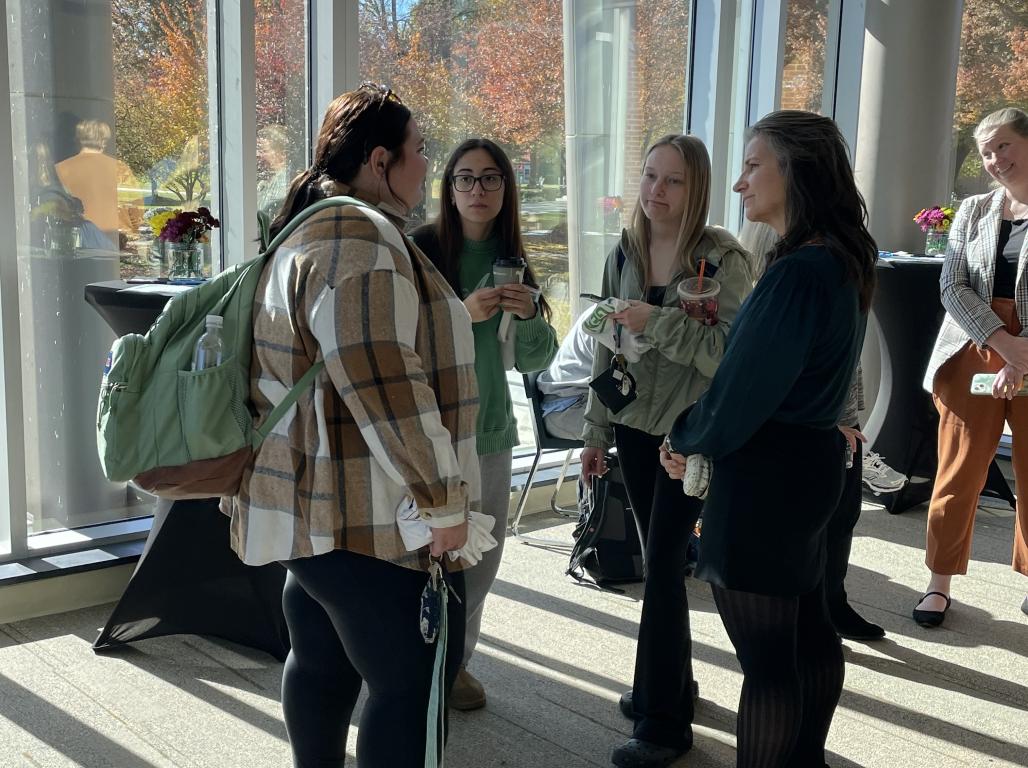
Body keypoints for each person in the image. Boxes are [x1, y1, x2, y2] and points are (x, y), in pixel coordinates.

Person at [222, 85, 479, 768]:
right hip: (366, 517)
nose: (428, 164)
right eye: (419, 149)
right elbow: (385, 384)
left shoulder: (307, 228)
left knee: (322, 663)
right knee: (409, 685)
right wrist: (442, 501)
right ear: (379, 160)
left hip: (313, 508)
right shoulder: (358, 241)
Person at [664, 110, 876, 767]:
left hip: (766, 481)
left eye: (753, 166)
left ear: (796, 171)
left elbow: (741, 393)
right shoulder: (842, 257)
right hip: (811, 468)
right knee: (809, 633)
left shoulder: (798, 272)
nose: (739, 183)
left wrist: (685, 437)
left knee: (767, 664)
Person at [579, 134, 753, 768]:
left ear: (696, 186)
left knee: (661, 566)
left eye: (673, 180)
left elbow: (730, 355)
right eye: (650, 175)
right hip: (633, 427)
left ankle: (663, 722)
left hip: (689, 435)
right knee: (661, 559)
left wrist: (658, 323)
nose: (656, 190)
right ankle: (671, 684)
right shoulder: (624, 251)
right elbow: (606, 345)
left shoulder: (723, 260)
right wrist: (595, 431)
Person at [410, 138, 558, 711]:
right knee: (421, 553)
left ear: (506, 188)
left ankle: (455, 664)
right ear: (448, 189)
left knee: (481, 561)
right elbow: (400, 343)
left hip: (491, 428)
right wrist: (461, 313)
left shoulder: (511, 258)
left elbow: (533, 358)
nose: (478, 189)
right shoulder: (421, 251)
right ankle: (412, 665)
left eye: (491, 178)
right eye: (466, 178)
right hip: (429, 428)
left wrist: (529, 315)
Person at [740, 219, 893, 641]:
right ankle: (816, 613)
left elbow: (843, 357)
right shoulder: (790, 273)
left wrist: (848, 416)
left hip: (837, 415)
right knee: (814, 523)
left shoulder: (833, 261)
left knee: (842, 514)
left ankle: (832, 604)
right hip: (808, 423)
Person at [917, 106, 1028, 627]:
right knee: (957, 472)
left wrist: (1022, 354)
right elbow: (952, 285)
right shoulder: (973, 210)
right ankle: (938, 584)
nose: (994, 159)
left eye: (1003, 145)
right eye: (986, 152)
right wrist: (1004, 345)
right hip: (975, 346)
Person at [55, 118, 139, 247]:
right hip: (114, 238)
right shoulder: (120, 169)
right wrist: (132, 230)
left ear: (78, 139)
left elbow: (55, 206)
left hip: (76, 238)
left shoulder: (61, 168)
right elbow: (135, 207)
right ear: (104, 140)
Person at [537, 309, 595, 441]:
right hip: (566, 409)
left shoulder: (607, 311)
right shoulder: (612, 321)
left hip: (578, 399)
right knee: (634, 425)